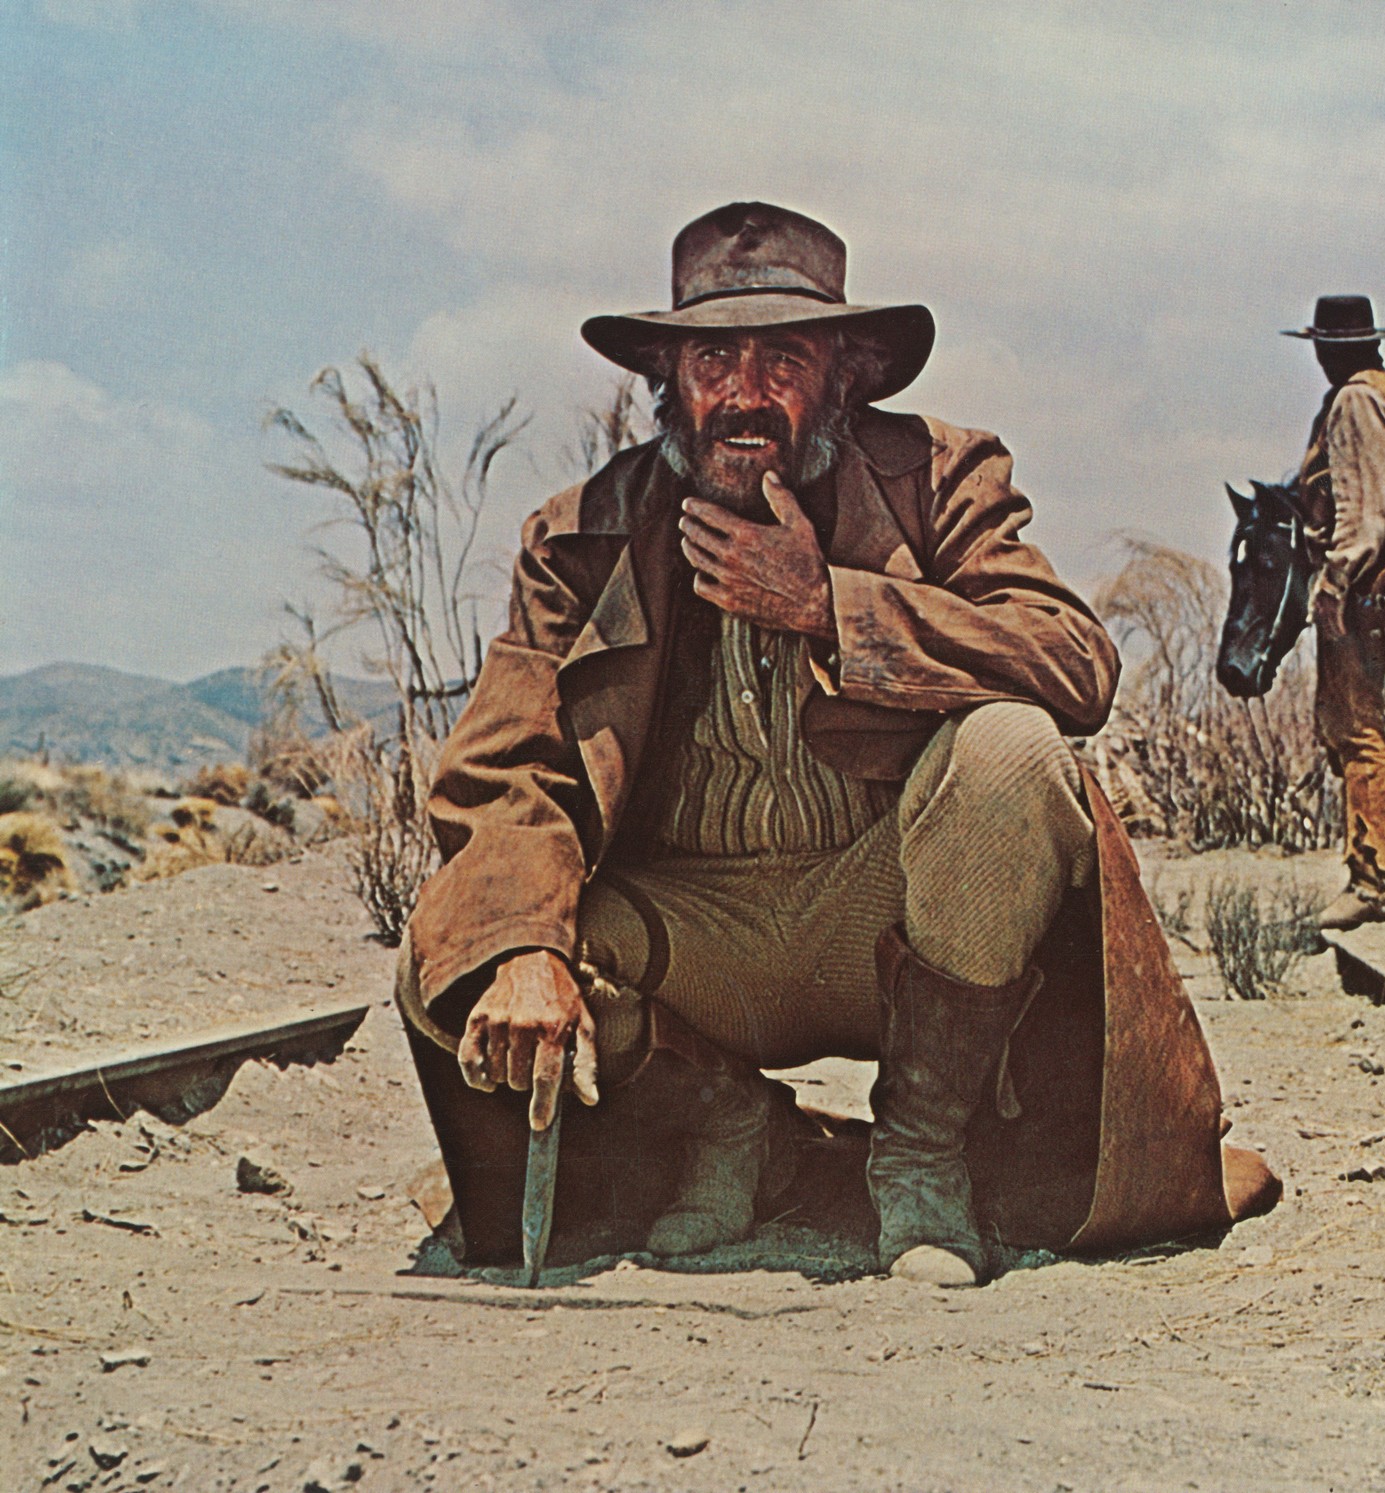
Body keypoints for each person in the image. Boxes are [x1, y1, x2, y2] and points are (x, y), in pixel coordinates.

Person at [395, 202, 1276, 1288]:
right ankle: (732, 1126)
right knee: (458, 950)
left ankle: (921, 1156)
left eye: (784, 358)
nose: (745, 392)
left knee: (1011, 750)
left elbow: (1072, 661)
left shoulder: (939, 478)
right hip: (690, 940)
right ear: (667, 380)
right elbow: (501, 770)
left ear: (845, 375)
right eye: (712, 359)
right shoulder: (581, 533)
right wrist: (527, 949)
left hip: (889, 916)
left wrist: (832, 607)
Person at [1283, 296, 1385, 931]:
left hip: (1361, 585)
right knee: (1352, 721)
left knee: (1356, 725)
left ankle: (1374, 880)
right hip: (1378, 582)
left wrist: (1334, 582)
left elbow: (1365, 516)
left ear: (1331, 348)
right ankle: (1368, 869)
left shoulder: (1355, 402)